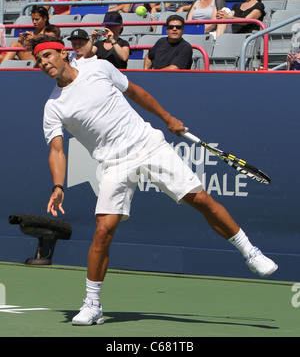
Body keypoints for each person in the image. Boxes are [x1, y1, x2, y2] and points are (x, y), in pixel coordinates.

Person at [31, 35, 278, 326]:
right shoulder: (54, 106)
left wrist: (167, 117)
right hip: (114, 164)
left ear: (61, 53)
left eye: (47, 55)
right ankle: (92, 303)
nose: (44, 62)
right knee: (102, 231)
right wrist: (58, 185)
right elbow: (57, 150)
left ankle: (250, 252)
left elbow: (134, 91)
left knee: (200, 200)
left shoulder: (97, 68)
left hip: (149, 145)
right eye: (38, 60)